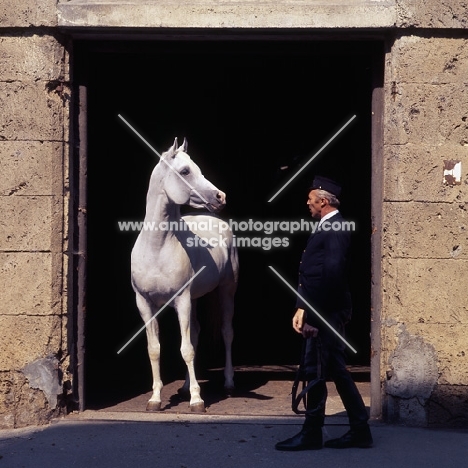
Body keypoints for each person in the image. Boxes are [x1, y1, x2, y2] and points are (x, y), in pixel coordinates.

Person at [275, 176, 373, 451]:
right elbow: (313, 273)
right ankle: (357, 429)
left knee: (317, 368)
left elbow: (331, 276)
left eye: (311, 199)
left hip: (326, 312)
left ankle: (313, 432)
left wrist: (313, 318)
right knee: (331, 369)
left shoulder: (335, 229)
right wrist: (301, 305)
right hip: (321, 308)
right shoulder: (326, 227)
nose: (307, 203)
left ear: (323, 201)